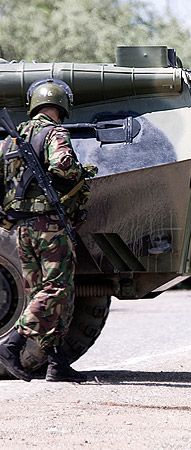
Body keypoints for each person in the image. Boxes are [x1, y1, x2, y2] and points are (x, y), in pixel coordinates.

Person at [0, 79, 95, 383]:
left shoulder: (12, 139)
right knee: (58, 290)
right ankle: (12, 345)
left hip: (23, 227)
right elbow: (64, 164)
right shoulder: (54, 132)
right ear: (61, 105)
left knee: (39, 293)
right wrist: (80, 174)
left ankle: (57, 363)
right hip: (50, 226)